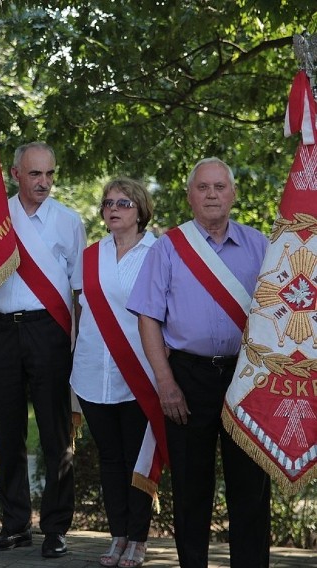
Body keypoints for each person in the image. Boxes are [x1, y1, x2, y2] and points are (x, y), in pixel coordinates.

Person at [126, 157, 271, 568]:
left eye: (219, 187)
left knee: (252, 487)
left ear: (233, 194)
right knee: (191, 487)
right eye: (203, 187)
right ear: (190, 195)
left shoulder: (261, 245)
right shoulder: (169, 247)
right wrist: (166, 382)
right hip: (187, 379)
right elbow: (148, 319)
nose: (212, 194)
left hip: (247, 377)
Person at [0, 142, 84, 557]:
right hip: (0, 330)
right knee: (9, 432)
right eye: (36, 174)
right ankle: (15, 524)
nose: (44, 182)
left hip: (49, 331)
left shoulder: (69, 221)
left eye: (50, 174)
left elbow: (78, 290)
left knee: (57, 434)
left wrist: (77, 344)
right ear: (15, 173)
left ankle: (56, 527)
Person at [70, 178, 160, 568]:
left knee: (136, 460)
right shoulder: (89, 256)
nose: (114, 208)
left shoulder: (160, 252)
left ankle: (139, 539)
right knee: (110, 459)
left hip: (140, 374)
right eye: (108, 203)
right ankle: (118, 535)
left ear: (139, 210)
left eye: (123, 203)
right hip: (92, 372)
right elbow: (78, 310)